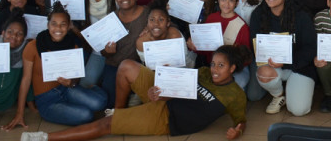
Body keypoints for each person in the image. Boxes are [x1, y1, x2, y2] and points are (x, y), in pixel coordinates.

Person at [20, 45, 249, 140]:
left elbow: (241, 122)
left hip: (168, 119)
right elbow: (181, 86)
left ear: (233, 69)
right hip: (167, 99)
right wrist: (160, 90)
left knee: (105, 127)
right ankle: (117, 112)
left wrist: (236, 133)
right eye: (214, 63)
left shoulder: (235, 96)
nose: (214, 69)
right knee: (127, 66)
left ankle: (43, 138)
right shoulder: (204, 73)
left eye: (221, 66)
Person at [4, 1, 107, 129]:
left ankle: (91, 89)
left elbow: (75, 78)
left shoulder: (72, 45)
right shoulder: (33, 46)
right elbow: (26, 80)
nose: (58, 29)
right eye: (54, 24)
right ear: (47, 25)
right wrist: (19, 113)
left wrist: (71, 83)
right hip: (47, 100)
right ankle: (78, 101)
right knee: (86, 115)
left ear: (69, 26)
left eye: (63, 25)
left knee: (100, 103)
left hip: (66, 89)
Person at [252, 0, 316, 116]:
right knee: (264, 73)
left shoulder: (301, 16)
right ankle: (279, 95)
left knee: (298, 110)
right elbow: (257, 46)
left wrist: (286, 62)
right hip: (272, 66)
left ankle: (294, 90)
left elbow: (311, 48)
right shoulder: (258, 14)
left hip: (300, 67)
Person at [191, 0, 251, 88]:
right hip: (212, 66)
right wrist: (194, 46)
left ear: (236, 3)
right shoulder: (211, 18)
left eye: (231, 0)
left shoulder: (242, 26)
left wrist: (233, 57)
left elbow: (246, 59)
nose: (226, 4)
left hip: (233, 69)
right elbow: (205, 50)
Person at [80, 0, 115, 88]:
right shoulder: (83, 3)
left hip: (117, 52)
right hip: (97, 53)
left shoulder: (117, 2)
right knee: (85, 84)